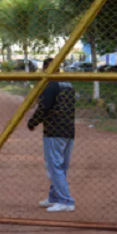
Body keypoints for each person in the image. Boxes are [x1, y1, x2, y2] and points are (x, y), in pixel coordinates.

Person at [27, 57, 76, 212]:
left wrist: (33, 122)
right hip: (68, 130)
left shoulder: (51, 84)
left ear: (45, 69)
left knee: (54, 166)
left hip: (54, 131)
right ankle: (54, 197)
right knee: (61, 166)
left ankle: (66, 201)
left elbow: (44, 107)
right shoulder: (68, 83)